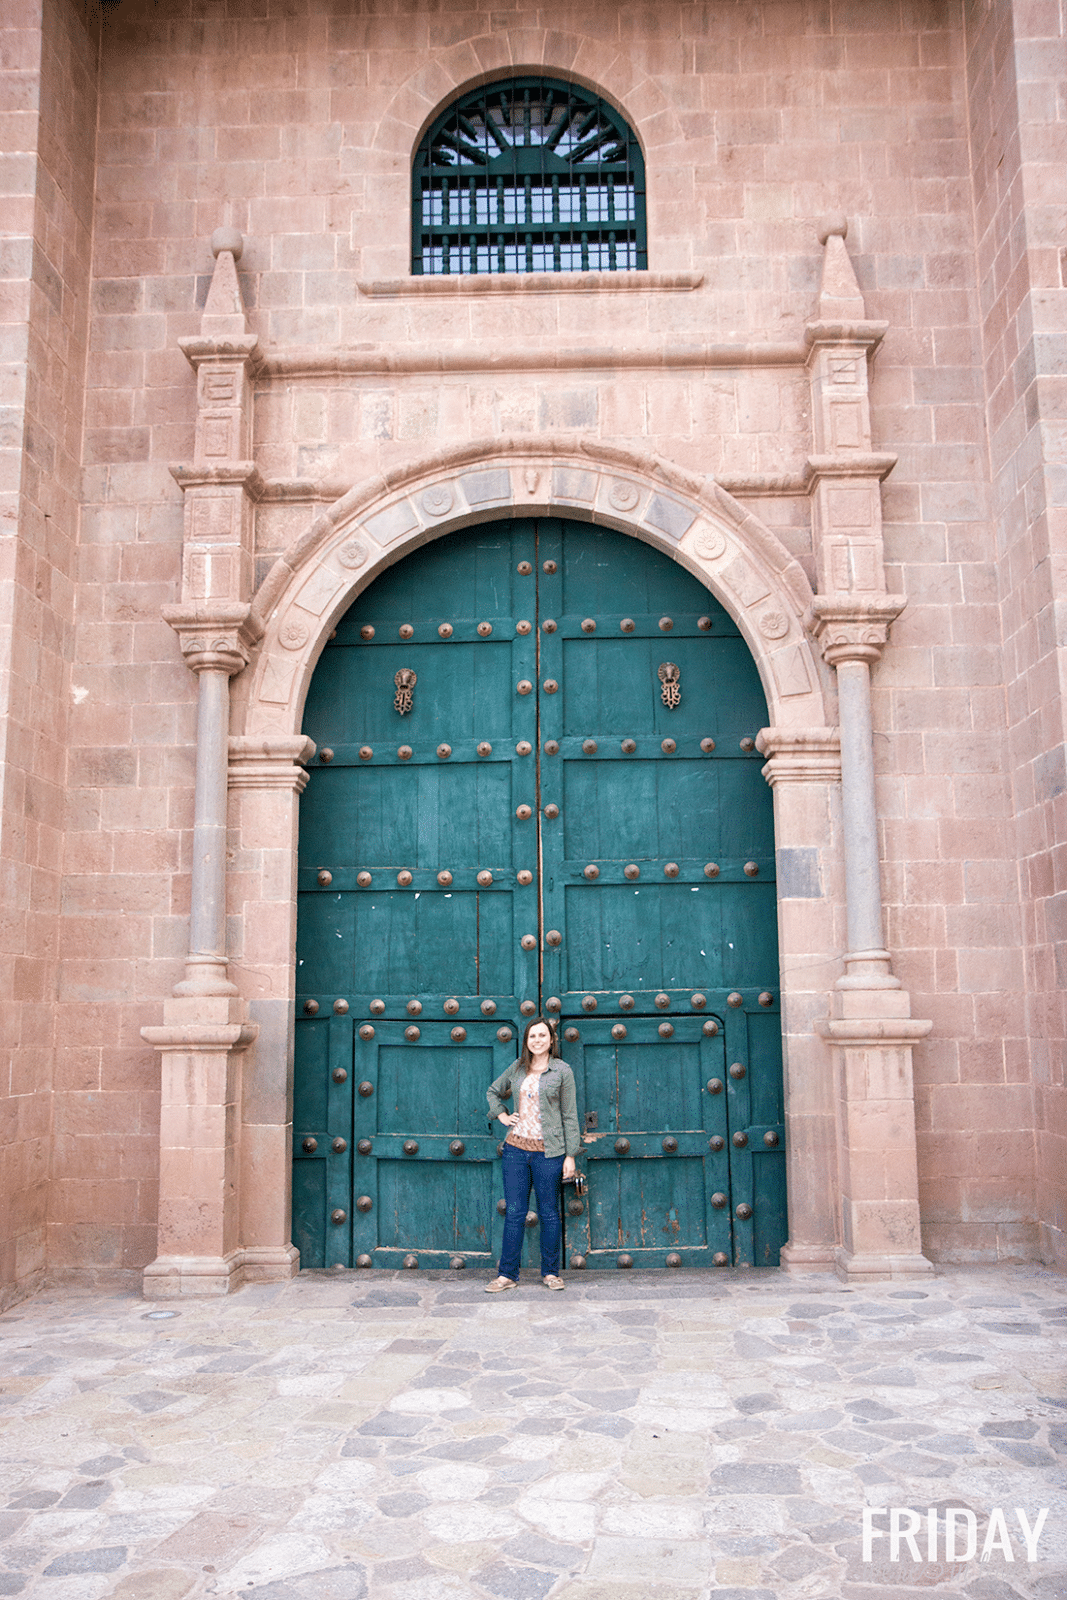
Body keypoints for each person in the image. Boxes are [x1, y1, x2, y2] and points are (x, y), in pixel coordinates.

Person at [484, 1017, 581, 1292]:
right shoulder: (518, 1068)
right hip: (515, 1149)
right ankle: (507, 1275)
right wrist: (502, 1115)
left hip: (549, 1152)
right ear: (526, 1041)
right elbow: (493, 1092)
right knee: (515, 1212)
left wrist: (570, 1155)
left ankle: (550, 1273)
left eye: (542, 1036)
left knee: (549, 1213)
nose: (537, 1041)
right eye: (532, 1037)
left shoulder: (562, 1071)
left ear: (552, 1040)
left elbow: (569, 1115)